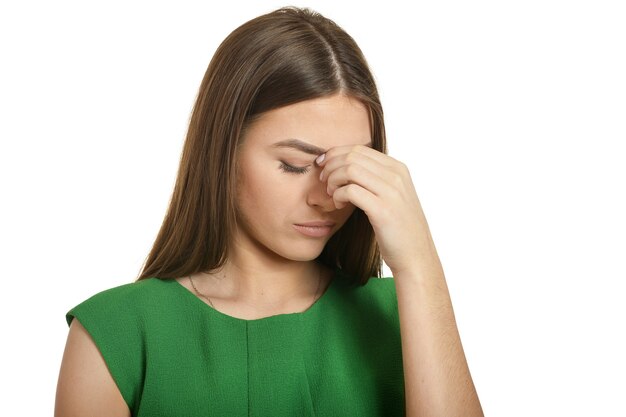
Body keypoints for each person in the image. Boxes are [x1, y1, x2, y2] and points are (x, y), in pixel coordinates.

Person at [55, 6, 483, 417]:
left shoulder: (403, 314)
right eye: (295, 165)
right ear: (223, 149)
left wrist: (421, 264)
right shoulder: (117, 333)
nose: (328, 197)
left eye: (348, 168)